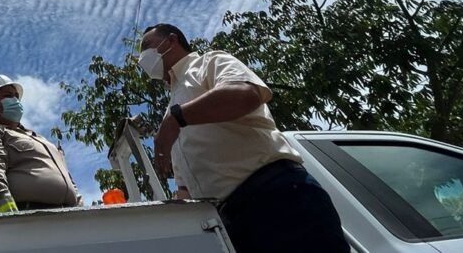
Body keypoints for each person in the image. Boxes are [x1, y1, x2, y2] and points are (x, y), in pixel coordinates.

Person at [140, 23, 349, 252]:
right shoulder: (171, 107)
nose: (142, 58)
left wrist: (176, 118)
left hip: (276, 198)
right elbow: (186, 189)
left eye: (146, 46)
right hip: (228, 224)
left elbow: (245, 94)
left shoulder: (209, 62)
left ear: (171, 41)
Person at [0, 74, 81, 213]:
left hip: (68, 218)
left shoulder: (40, 139)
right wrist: (10, 218)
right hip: (28, 216)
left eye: (16, 96)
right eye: (8, 96)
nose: (15, 100)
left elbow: (70, 182)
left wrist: (82, 212)